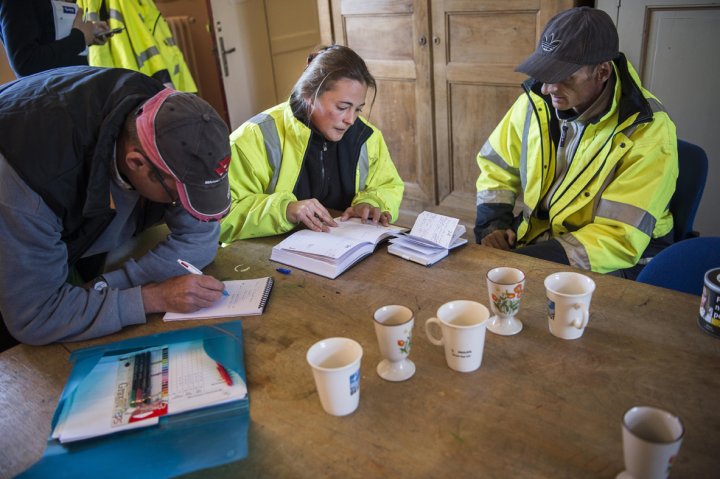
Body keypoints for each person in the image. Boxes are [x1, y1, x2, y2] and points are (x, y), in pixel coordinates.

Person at [0, 66, 232, 348]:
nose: (186, 207)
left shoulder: (175, 124)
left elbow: (200, 240)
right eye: (178, 194)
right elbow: (34, 317)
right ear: (137, 163)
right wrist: (151, 297)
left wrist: (110, 287)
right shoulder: (30, 188)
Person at [474, 7, 677, 279]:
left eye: (564, 75)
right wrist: (493, 226)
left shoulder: (648, 130)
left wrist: (523, 262)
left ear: (602, 72)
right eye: (545, 72)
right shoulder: (536, 102)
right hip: (542, 238)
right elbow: (496, 167)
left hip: (618, 259)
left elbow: (618, 238)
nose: (547, 88)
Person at [219, 44, 404, 242]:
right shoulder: (255, 138)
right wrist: (284, 210)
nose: (351, 120)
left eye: (358, 109)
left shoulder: (367, 137)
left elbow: (388, 186)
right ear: (309, 94)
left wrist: (370, 202)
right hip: (271, 257)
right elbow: (219, 218)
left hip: (344, 252)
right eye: (343, 107)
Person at [0, 0, 111, 77]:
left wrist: (89, 33)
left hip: (71, 92)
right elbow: (25, 63)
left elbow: (49, 37)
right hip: (51, 101)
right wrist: (80, 38)